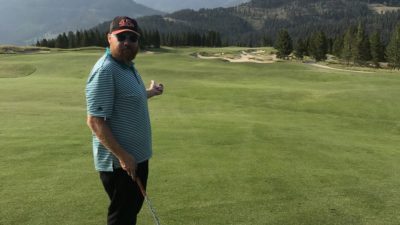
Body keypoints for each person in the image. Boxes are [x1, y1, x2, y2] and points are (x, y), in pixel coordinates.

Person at [85, 16, 164, 225]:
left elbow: (129, 97)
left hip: (135, 159)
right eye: (121, 37)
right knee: (122, 218)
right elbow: (94, 121)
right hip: (121, 165)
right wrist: (123, 156)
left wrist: (150, 92)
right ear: (109, 38)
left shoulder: (127, 66)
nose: (127, 42)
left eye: (132, 37)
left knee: (129, 214)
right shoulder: (106, 70)